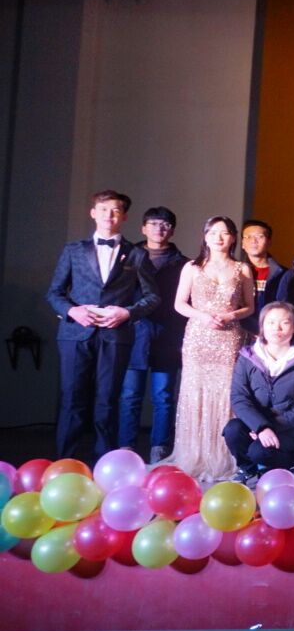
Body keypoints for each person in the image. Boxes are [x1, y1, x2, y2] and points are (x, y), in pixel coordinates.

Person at [46, 189, 159, 459]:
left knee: (108, 400)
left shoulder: (137, 254)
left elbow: (152, 297)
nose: (109, 215)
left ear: (124, 216)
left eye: (115, 210)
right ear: (93, 213)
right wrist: (73, 311)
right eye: (104, 209)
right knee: (71, 398)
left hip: (115, 335)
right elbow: (54, 293)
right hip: (75, 333)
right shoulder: (73, 250)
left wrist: (127, 313)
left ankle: (103, 464)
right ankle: (65, 462)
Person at [170, 216, 255, 484]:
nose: (219, 237)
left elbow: (250, 307)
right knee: (196, 393)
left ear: (233, 238)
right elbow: (179, 304)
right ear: (205, 237)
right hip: (198, 338)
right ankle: (196, 455)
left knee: (227, 393)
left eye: (225, 232)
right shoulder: (192, 267)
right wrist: (203, 316)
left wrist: (231, 315)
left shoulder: (242, 268)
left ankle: (225, 456)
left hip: (229, 338)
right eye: (213, 232)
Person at [220, 302, 294, 483]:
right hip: (257, 426)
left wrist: (270, 427)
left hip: (290, 428)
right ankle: (248, 468)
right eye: (271, 322)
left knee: (259, 451)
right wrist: (260, 427)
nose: (277, 328)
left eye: (284, 322)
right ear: (262, 327)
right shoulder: (247, 357)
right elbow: (239, 397)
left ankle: (293, 463)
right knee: (233, 430)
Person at [119, 207, 186, 463]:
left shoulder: (183, 263)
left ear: (173, 230)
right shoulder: (126, 257)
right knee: (129, 395)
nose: (159, 228)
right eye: (154, 223)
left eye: (165, 224)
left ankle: (160, 448)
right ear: (143, 228)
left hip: (167, 336)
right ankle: (126, 447)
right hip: (133, 335)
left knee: (164, 397)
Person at [241, 220, 291, 336]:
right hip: (240, 332)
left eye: (259, 236)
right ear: (242, 243)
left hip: (271, 334)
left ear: (269, 242)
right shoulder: (235, 272)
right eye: (248, 237)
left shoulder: (283, 274)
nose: (253, 241)